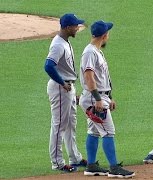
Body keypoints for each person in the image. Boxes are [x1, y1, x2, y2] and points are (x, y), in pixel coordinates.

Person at [79, 20, 135, 178]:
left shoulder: (96, 51)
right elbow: (89, 76)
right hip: (94, 98)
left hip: (98, 96)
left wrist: (109, 98)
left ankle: (91, 166)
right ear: (104, 35)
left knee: (94, 131)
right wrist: (98, 99)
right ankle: (114, 168)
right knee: (108, 132)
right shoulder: (90, 52)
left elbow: (101, 77)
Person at [44, 13, 87, 172]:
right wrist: (63, 83)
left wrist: (70, 87)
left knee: (71, 124)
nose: (78, 28)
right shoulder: (57, 45)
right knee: (59, 125)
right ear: (68, 27)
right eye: (76, 25)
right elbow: (48, 66)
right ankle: (57, 162)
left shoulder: (65, 41)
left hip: (67, 88)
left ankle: (74, 157)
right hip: (60, 88)